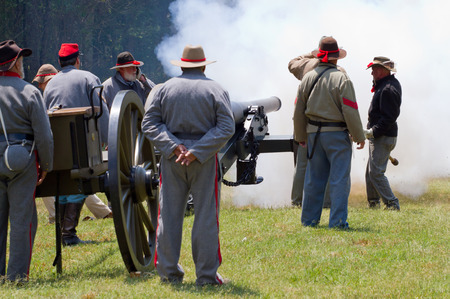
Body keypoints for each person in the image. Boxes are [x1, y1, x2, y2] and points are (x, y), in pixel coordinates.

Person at [142, 45, 234, 285]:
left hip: (172, 159)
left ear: (181, 65)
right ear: (203, 65)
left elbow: (149, 123)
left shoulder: (163, 89)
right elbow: (226, 127)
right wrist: (196, 151)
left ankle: (168, 273)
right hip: (203, 160)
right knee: (205, 217)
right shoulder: (216, 89)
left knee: (169, 216)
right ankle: (206, 276)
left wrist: (173, 146)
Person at [293, 36, 365, 229]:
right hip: (337, 135)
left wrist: (300, 136)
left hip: (313, 135)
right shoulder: (342, 78)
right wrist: (359, 136)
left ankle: (309, 221)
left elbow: (298, 111)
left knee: (313, 179)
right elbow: (350, 110)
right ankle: (338, 222)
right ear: (336, 58)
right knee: (339, 179)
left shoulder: (307, 78)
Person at [44, 43, 110, 246]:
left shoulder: (50, 84)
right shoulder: (89, 78)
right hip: (83, 146)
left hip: (57, 149)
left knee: (66, 184)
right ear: (77, 60)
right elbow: (102, 110)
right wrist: (107, 138)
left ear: (59, 62)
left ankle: (65, 234)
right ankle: (68, 235)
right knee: (79, 182)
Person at [0, 40, 54, 282]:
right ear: (15, 63)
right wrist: (47, 165)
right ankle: (17, 276)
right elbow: (44, 135)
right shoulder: (30, 91)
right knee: (22, 220)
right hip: (21, 160)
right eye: (21, 60)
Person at [33, 64, 112, 224]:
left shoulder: (49, 90)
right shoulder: (85, 79)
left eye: (42, 83)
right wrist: (108, 137)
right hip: (75, 151)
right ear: (77, 61)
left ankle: (64, 226)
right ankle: (65, 227)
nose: (41, 87)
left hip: (65, 150)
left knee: (73, 182)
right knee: (75, 182)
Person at [364, 56, 402, 210]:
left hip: (383, 136)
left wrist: (373, 131)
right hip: (381, 136)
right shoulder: (386, 85)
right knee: (370, 173)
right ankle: (373, 203)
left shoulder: (388, 89)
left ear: (382, 70)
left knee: (376, 173)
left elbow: (389, 118)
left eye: (374, 69)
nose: (372, 72)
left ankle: (392, 203)